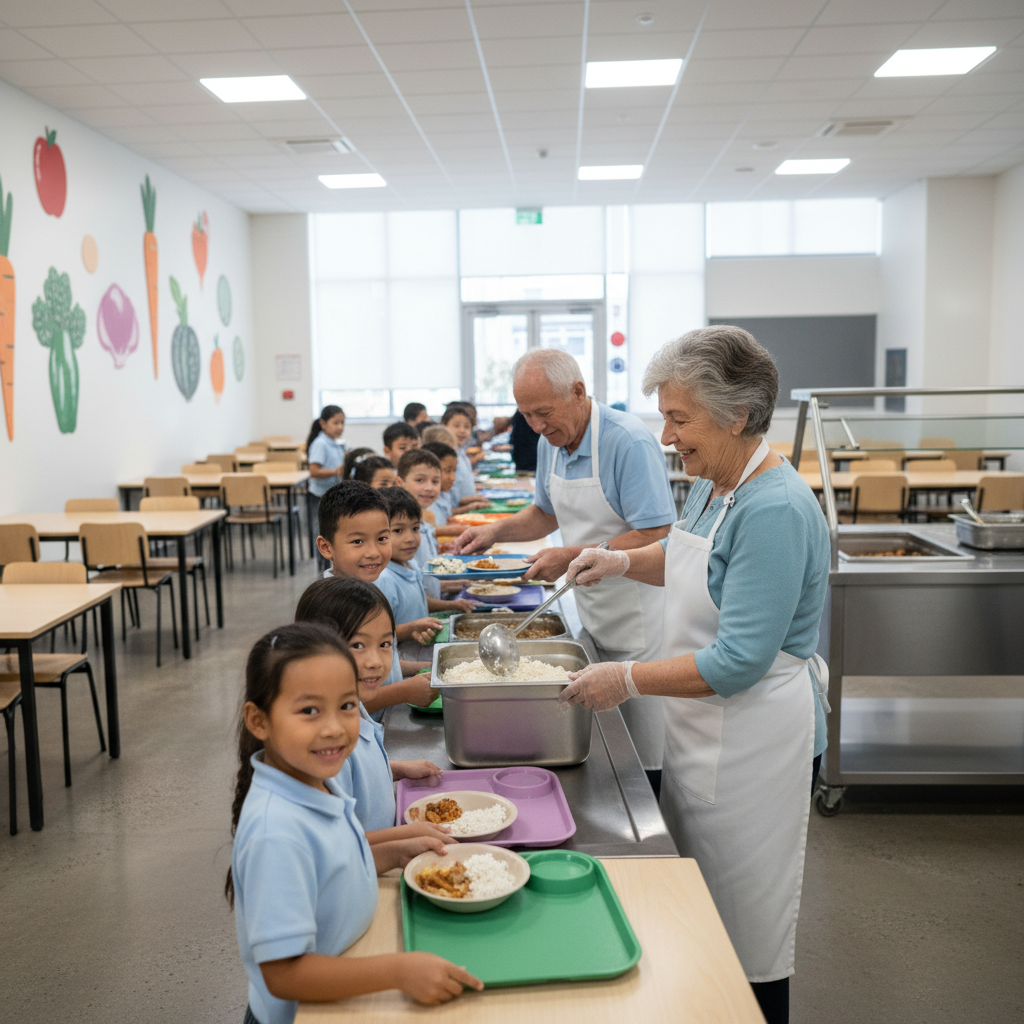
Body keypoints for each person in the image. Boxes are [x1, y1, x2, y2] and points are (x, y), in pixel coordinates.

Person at [558, 326, 830, 1024]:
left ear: (736, 414)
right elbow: (688, 562)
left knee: (746, 932)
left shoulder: (774, 509)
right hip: (704, 729)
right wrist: (618, 561)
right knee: (699, 910)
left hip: (752, 744)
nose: (668, 437)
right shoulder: (718, 483)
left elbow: (738, 662)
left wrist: (627, 678)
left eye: (680, 418)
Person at [226, 623, 483, 1024]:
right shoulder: (275, 831)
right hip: (303, 1012)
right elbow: (282, 974)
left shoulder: (315, 780)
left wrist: (393, 852)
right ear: (258, 721)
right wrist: (397, 972)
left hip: (346, 970)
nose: (333, 727)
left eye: (346, 706)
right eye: (309, 711)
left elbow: (334, 866)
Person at [451, 349, 676, 777]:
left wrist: (570, 554)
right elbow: (544, 512)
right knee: (609, 740)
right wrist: (495, 532)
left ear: (577, 392)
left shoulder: (626, 441)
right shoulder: (549, 442)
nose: (536, 426)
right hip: (594, 608)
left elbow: (656, 532)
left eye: (543, 413)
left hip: (640, 619)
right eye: (526, 416)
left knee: (646, 752)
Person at [294, 577, 450, 835]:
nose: (375, 661)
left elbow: (359, 775)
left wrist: (395, 768)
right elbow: (342, 848)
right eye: (357, 645)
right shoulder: (328, 747)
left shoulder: (356, 707)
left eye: (384, 644)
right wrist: (406, 837)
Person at [314, 482, 438, 715]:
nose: (373, 552)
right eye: (358, 541)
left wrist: (420, 668)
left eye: (382, 538)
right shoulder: (329, 608)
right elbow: (338, 703)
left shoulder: (367, 590)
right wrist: (404, 691)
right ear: (326, 547)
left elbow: (376, 665)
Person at [375, 487, 445, 658]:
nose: (410, 538)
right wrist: (409, 630)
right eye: (398, 530)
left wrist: (454, 605)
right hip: (401, 663)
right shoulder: (382, 579)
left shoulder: (410, 563)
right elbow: (375, 637)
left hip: (420, 654)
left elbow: (417, 600)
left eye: (415, 528)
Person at [306, 405, 347, 560]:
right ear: (323, 424)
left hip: (330, 495)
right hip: (319, 496)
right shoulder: (320, 444)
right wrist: (335, 471)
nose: (340, 427)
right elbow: (314, 471)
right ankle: (322, 569)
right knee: (322, 533)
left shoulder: (335, 443)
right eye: (336, 423)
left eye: (342, 423)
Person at [440, 404, 489, 510]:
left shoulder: (462, 453)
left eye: (466, 427)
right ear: (444, 425)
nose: (462, 430)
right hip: (456, 511)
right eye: (456, 426)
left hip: (467, 506)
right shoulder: (445, 457)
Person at [421, 441, 458, 530]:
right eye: (448, 471)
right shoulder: (425, 503)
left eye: (454, 471)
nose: (453, 477)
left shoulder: (444, 494)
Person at [509, 409, 539, 473]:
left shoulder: (521, 413)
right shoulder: (522, 413)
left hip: (528, 458)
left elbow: (513, 438)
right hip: (527, 457)